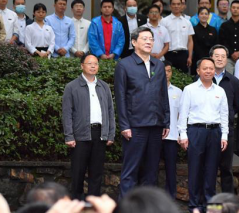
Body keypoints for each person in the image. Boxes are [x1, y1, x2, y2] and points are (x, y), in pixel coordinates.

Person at [115, 26, 170, 198]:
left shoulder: (158, 65)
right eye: (144, 39)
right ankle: (125, 209)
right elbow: (120, 97)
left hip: (156, 125)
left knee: (151, 171)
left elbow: (163, 94)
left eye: (151, 39)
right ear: (134, 42)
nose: (149, 42)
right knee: (130, 170)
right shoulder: (124, 65)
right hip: (135, 126)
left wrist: (166, 121)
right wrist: (124, 125)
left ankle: (147, 209)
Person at [178, 57, 229, 213]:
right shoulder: (189, 89)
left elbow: (224, 114)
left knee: (211, 170)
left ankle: (210, 207)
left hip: (215, 132)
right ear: (198, 71)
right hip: (196, 131)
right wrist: (183, 134)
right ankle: (194, 206)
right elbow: (183, 113)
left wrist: (224, 135)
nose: (208, 71)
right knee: (195, 169)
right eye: (205, 68)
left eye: (211, 68)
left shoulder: (220, 91)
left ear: (214, 71)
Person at [62, 54, 115, 199]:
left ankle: (93, 205)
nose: (93, 66)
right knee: (78, 173)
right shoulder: (72, 87)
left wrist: (110, 134)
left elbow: (110, 111)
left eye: (96, 63)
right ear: (82, 66)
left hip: (100, 134)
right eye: (89, 63)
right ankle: (76, 204)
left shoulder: (104, 86)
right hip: (80, 135)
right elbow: (67, 113)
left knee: (96, 173)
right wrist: (69, 136)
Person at [209, 45, 239, 194]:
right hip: (206, 128)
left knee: (226, 168)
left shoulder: (233, 81)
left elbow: (236, 105)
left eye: (223, 56)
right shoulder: (202, 78)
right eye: (217, 56)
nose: (220, 59)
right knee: (208, 166)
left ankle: (228, 201)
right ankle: (206, 200)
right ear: (211, 58)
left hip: (226, 129)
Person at [162, 61, 182, 200]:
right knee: (150, 167)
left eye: (169, 71)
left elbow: (181, 115)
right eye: (164, 71)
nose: (166, 74)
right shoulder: (152, 89)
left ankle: (171, 197)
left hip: (173, 136)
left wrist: (181, 134)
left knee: (171, 168)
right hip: (154, 135)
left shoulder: (178, 92)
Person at [161, 0, 195, 73]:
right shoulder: (164, 21)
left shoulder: (187, 22)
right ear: (170, 6)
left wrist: (190, 57)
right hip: (168, 54)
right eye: (174, 4)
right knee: (168, 76)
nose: (176, 6)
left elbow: (190, 41)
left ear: (182, 6)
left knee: (183, 77)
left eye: (178, 4)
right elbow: (161, 39)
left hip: (183, 55)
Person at [219, 0, 239, 74]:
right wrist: (231, 53)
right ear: (230, 9)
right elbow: (222, 41)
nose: (235, 9)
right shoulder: (224, 25)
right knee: (228, 77)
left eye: (238, 8)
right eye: (233, 7)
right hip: (228, 58)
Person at [192, 7, 218, 72]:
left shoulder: (213, 30)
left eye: (206, 14)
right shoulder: (194, 29)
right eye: (202, 14)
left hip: (211, 59)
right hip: (198, 59)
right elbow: (195, 45)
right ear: (198, 16)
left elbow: (215, 45)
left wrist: (211, 57)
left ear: (208, 16)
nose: (204, 16)